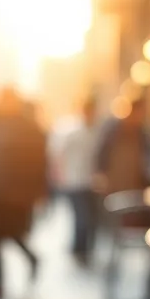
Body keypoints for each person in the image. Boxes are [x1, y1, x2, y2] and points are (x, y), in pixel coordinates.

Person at [0, 86, 45, 299]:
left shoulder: (29, 128)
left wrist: (37, 192)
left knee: (12, 233)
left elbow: (39, 163)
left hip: (18, 193)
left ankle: (31, 258)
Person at [51, 97, 101, 265]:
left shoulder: (93, 131)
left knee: (88, 217)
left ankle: (83, 248)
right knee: (82, 217)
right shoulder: (71, 130)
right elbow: (58, 153)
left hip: (87, 181)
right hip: (72, 180)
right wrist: (59, 175)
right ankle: (79, 249)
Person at [95, 96, 150, 196]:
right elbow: (102, 153)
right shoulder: (113, 130)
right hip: (115, 182)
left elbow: (147, 157)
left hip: (134, 183)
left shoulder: (142, 133)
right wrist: (102, 175)